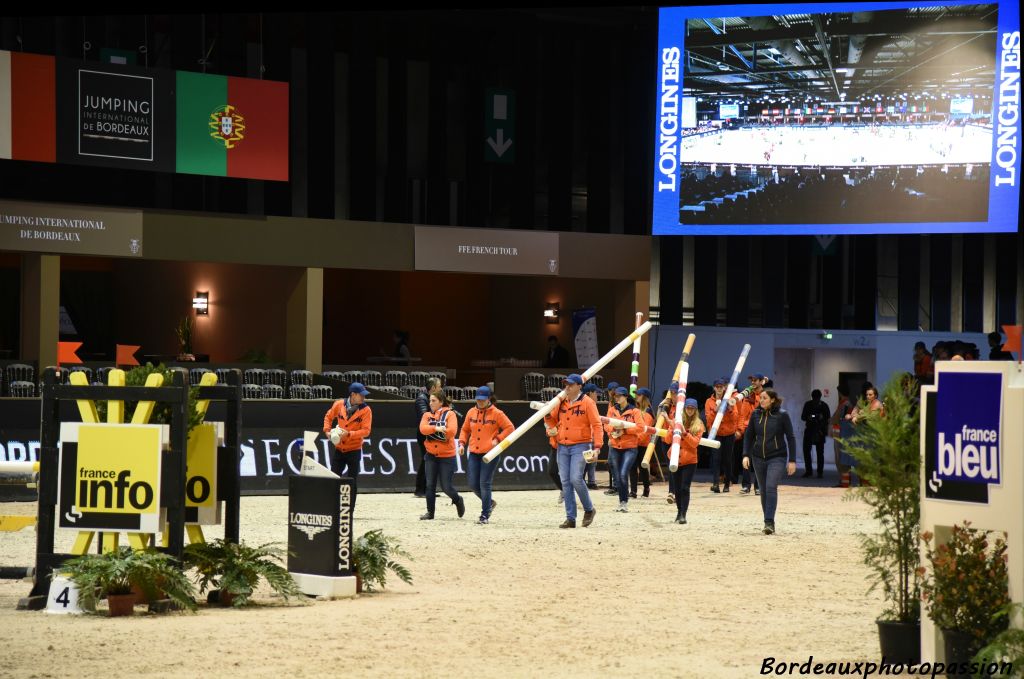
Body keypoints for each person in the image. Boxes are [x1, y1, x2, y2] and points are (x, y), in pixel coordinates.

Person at [544, 374, 601, 529]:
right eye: (566, 385)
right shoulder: (561, 402)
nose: (567, 387)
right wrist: (547, 414)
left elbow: (597, 425)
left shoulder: (588, 403)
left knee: (575, 478)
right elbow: (552, 422)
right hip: (562, 445)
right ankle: (571, 518)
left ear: (579, 386)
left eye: (570, 385)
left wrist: (597, 447)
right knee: (566, 482)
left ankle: (589, 509)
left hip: (581, 445)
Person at [742, 389, 797, 535]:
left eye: (764, 398)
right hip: (758, 457)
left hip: (777, 457)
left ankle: (769, 522)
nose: (761, 400)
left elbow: (791, 437)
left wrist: (792, 460)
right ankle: (767, 520)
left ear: (772, 400)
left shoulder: (782, 415)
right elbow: (748, 436)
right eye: (760, 398)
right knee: (763, 490)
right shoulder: (755, 414)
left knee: (771, 486)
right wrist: (745, 455)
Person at [459, 386, 514, 525]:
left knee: (485, 483)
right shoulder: (471, 412)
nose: (480, 402)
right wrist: (461, 443)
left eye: (482, 400)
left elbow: (510, 428)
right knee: (472, 484)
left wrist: (498, 439)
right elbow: (465, 429)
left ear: (489, 399)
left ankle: (485, 514)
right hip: (474, 452)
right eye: (478, 399)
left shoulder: (497, 413)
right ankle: (489, 502)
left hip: (491, 453)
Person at [323, 382, 374, 512]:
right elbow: (328, 417)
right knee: (333, 479)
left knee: (352, 481)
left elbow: (366, 431)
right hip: (339, 449)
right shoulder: (339, 404)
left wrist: (350, 434)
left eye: (364, 395)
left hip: (354, 450)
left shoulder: (366, 410)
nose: (363, 398)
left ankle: (349, 510)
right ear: (353, 395)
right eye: (361, 395)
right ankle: (332, 507)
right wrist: (327, 431)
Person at [418, 392, 465, 520]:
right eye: (430, 400)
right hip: (431, 455)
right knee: (430, 485)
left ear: (440, 402)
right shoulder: (426, 415)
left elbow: (450, 432)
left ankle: (458, 499)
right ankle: (430, 513)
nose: (430, 403)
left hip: (446, 457)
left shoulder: (450, 414)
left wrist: (431, 430)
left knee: (446, 487)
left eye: (433, 400)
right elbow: (422, 429)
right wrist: (437, 429)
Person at [605, 387, 643, 512]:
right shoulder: (612, 410)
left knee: (622, 474)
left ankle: (624, 502)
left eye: (620, 396)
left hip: (630, 447)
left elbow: (640, 427)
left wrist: (624, 431)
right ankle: (622, 502)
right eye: (616, 396)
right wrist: (614, 431)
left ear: (626, 396)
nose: (617, 398)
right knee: (617, 476)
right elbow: (606, 425)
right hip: (615, 446)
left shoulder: (635, 411)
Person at [669, 398, 705, 524]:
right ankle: (679, 511)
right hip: (675, 458)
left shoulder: (699, 424)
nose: (689, 410)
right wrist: (672, 427)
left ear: (695, 410)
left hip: (690, 460)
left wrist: (684, 433)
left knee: (685, 487)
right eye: (688, 408)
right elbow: (668, 439)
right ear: (684, 408)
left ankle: (684, 514)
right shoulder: (677, 420)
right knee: (677, 488)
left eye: (692, 408)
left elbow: (695, 443)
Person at [704, 377, 737, 493]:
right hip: (716, 433)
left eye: (721, 387)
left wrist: (729, 409)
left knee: (727, 460)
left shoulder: (730, 399)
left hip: (729, 433)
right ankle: (715, 484)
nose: (719, 389)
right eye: (717, 387)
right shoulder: (709, 401)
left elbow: (735, 418)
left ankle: (727, 484)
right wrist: (716, 410)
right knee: (716, 459)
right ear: (714, 388)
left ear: (724, 388)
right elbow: (708, 420)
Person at [413, 377, 444, 498]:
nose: (441, 389)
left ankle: (427, 489)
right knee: (426, 460)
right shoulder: (421, 399)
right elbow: (425, 416)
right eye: (439, 386)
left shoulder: (432, 399)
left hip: (431, 434)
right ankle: (420, 490)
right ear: (433, 388)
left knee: (429, 460)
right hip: (424, 435)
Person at [630, 388, 655, 498]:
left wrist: (636, 439)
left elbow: (646, 430)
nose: (636, 396)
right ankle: (633, 491)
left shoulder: (648, 411)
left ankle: (646, 488)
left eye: (639, 395)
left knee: (643, 468)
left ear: (644, 397)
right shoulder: (636, 409)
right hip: (634, 442)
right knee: (632, 467)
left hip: (642, 444)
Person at [800, 389, 831, 479]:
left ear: (820, 397)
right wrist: (810, 417)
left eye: (817, 399)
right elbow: (803, 417)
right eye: (814, 399)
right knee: (806, 451)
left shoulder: (824, 406)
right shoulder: (808, 404)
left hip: (819, 430)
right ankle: (808, 471)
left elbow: (828, 418)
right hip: (809, 429)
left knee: (820, 452)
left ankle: (819, 472)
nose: (815, 401)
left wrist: (822, 418)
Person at [830, 385, 855, 486]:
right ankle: (843, 481)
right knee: (840, 457)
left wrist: (831, 420)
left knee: (841, 458)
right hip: (840, 432)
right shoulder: (844, 403)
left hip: (841, 433)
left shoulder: (845, 404)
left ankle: (844, 482)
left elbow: (838, 419)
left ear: (840, 392)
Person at [582, 382, 602, 489]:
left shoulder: (591, 404)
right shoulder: (587, 403)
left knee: (592, 461)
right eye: (595, 392)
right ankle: (584, 481)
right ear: (590, 393)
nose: (597, 395)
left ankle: (591, 481)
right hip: (586, 438)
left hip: (592, 437)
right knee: (585, 461)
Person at [603, 382, 621, 494]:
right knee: (611, 463)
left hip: (620, 438)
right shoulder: (611, 404)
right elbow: (607, 422)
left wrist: (613, 432)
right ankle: (616, 486)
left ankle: (618, 487)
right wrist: (610, 434)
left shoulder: (618, 406)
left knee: (615, 463)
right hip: (613, 437)